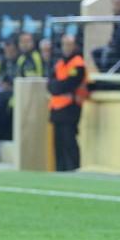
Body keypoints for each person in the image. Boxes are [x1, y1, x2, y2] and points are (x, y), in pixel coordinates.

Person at [47, 34, 88, 171]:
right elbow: (51, 84)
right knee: (58, 142)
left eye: (69, 44)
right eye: (64, 44)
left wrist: (58, 87)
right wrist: (57, 87)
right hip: (56, 108)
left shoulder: (78, 64)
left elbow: (70, 83)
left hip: (71, 107)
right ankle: (60, 169)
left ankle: (73, 168)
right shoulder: (59, 63)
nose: (66, 47)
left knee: (69, 139)